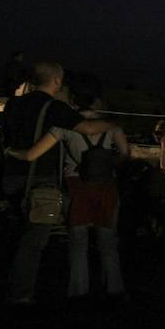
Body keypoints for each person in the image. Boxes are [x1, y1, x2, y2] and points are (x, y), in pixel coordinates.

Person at [1, 61, 122, 305]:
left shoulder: (14, 103)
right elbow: (87, 128)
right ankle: (20, 295)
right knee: (34, 240)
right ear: (57, 80)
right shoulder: (55, 108)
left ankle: (9, 280)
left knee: (13, 233)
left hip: (10, 176)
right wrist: (115, 125)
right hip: (41, 180)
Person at [59, 87, 130, 300]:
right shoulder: (111, 126)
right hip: (105, 185)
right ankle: (114, 289)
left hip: (75, 184)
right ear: (97, 101)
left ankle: (78, 291)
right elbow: (125, 154)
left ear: (74, 101)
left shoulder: (67, 125)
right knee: (108, 242)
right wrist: (107, 164)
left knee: (78, 244)